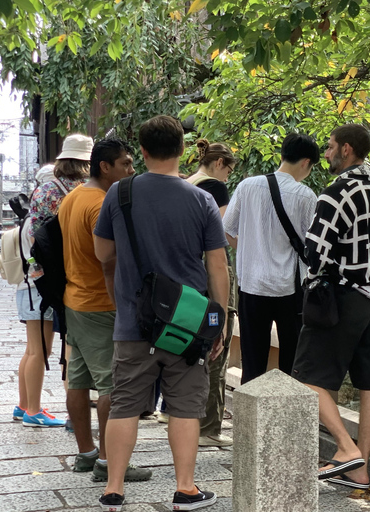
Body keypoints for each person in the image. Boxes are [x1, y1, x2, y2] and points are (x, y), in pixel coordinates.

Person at [94, 115, 229, 511]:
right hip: (187, 325)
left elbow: (103, 253)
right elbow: (217, 266)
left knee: (125, 403)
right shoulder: (201, 199)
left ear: (143, 151)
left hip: (134, 321)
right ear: (183, 150)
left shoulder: (119, 194)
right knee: (185, 405)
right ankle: (185, 488)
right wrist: (218, 321)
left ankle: (113, 490)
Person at [291, 124, 370, 490]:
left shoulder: (337, 192)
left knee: (307, 378)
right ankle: (361, 469)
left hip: (345, 297)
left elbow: (314, 252)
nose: (325, 153)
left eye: (329, 147)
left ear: (346, 150)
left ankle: (345, 448)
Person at [58, 138, 152, 483]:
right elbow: (109, 259)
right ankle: (111, 461)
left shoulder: (73, 197)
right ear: (105, 167)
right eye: (126, 164)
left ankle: (86, 453)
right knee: (114, 386)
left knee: (79, 381)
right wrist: (120, 303)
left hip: (74, 300)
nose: (131, 169)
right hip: (100, 303)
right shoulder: (100, 205)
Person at [224, 133, 319, 384]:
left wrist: (249, 249)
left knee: (252, 363)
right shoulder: (305, 195)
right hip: (289, 289)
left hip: (251, 286)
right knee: (291, 363)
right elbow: (312, 244)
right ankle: (286, 419)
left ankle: (248, 421)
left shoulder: (247, 186)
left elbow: (227, 229)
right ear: (306, 163)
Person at [16, 133, 93, 428]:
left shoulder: (45, 189)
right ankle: (35, 410)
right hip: (59, 279)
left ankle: (24, 405)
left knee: (33, 348)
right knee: (48, 349)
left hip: (34, 276)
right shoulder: (84, 191)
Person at [186, 138, 238, 447]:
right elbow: (222, 233)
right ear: (219, 163)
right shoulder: (215, 188)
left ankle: (187, 418)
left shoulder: (186, 182)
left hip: (189, 271)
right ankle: (209, 428)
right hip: (213, 268)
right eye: (229, 169)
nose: (229, 176)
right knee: (219, 340)